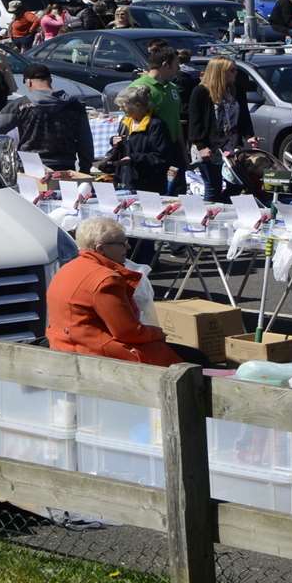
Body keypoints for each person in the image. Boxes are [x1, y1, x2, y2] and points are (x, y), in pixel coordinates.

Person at [47, 218, 183, 366]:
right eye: (122, 243)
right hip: (94, 354)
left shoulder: (67, 268)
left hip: (66, 344)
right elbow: (128, 332)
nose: (128, 247)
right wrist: (158, 333)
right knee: (195, 360)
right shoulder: (106, 280)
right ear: (100, 249)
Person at [0, 63, 93, 174]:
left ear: (28, 82)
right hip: (65, 168)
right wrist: (85, 169)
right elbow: (85, 140)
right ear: (50, 80)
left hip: (31, 167)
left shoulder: (21, 105)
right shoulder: (74, 105)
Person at [184, 57, 256, 203]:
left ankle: (223, 207)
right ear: (220, 72)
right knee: (213, 186)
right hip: (209, 146)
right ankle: (210, 216)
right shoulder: (201, 92)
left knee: (237, 184)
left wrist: (249, 135)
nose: (235, 73)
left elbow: (243, 115)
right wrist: (201, 146)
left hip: (230, 145)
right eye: (232, 70)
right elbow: (195, 122)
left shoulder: (235, 90)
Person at [132, 42, 187, 193]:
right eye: (176, 64)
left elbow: (176, 120)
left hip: (174, 150)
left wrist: (183, 151)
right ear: (165, 65)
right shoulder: (139, 87)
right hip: (154, 152)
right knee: (156, 195)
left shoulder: (173, 88)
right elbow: (132, 121)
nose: (178, 69)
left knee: (178, 193)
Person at [107, 85, 175, 194]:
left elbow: (161, 158)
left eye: (123, 106)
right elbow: (126, 145)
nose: (120, 109)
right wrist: (114, 141)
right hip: (125, 179)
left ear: (137, 105)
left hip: (148, 184)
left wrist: (133, 158)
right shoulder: (125, 122)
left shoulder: (156, 125)